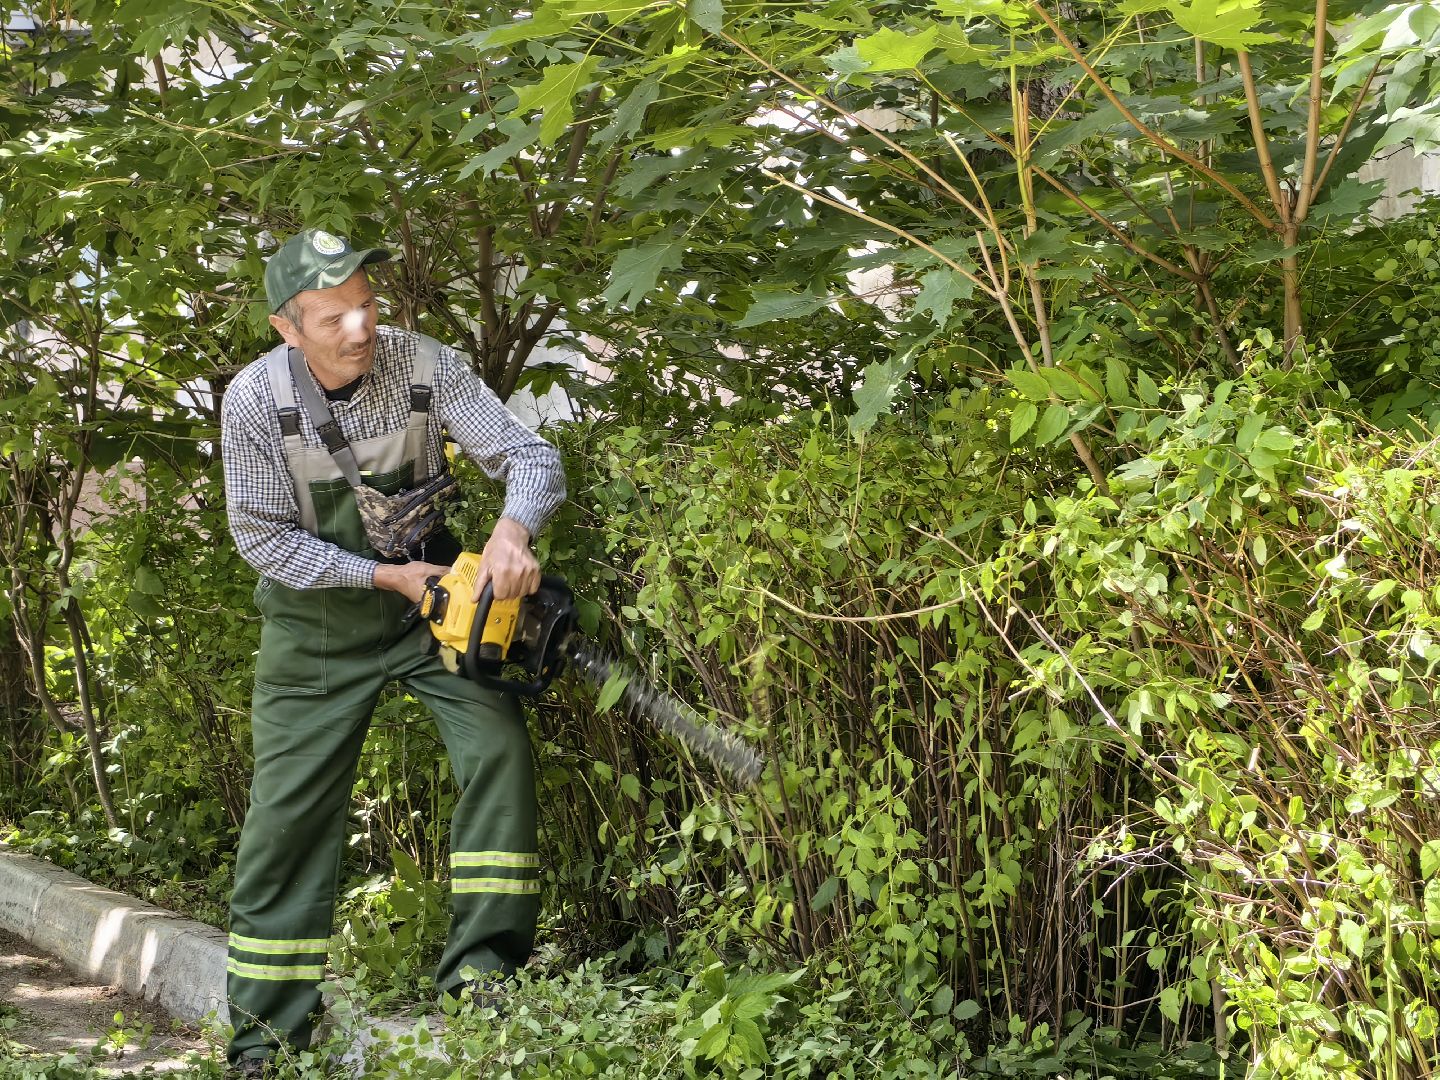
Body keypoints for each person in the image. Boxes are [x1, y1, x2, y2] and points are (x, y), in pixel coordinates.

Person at [218, 227, 566, 1072]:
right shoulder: (257, 402)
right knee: (288, 821)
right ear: (286, 327)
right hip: (316, 631)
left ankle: (484, 987)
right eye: (333, 316)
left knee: (499, 752)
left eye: (368, 305)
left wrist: (515, 527)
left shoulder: (425, 364)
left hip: (428, 617)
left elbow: (529, 453)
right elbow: (266, 541)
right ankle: (266, 1038)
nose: (361, 328)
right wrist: (388, 578)